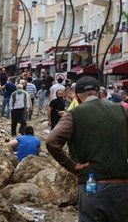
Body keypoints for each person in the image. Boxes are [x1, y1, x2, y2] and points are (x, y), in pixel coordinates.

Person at [46, 76, 128, 222]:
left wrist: (72, 167)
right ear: (99, 93)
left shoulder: (74, 115)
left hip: (92, 186)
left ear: (77, 96)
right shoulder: (122, 110)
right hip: (122, 187)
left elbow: (51, 142)